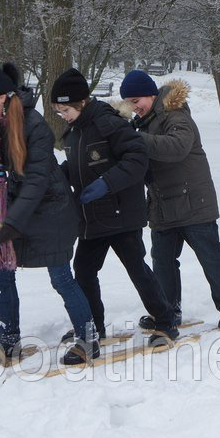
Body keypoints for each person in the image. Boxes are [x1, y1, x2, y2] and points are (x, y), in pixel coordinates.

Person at [0, 61, 97, 366]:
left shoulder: (34, 125)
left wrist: (13, 219)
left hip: (51, 214)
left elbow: (36, 180)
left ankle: (88, 339)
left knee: (61, 278)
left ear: (1, 98)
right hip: (16, 214)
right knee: (0, 272)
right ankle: (8, 341)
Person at [50, 68, 179, 344]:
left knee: (137, 269)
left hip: (121, 215)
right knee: (83, 272)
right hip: (92, 217)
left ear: (81, 102)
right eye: (59, 112)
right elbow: (77, 169)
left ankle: (166, 322)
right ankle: (94, 326)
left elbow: (137, 158)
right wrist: (57, 176)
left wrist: (106, 183)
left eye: (65, 110)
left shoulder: (110, 123)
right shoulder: (73, 134)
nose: (63, 116)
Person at [119, 70, 220, 330]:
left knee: (210, 256)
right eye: (129, 103)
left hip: (193, 202)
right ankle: (168, 312)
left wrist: (135, 139)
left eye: (136, 101)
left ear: (151, 94)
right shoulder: (141, 124)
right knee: (162, 261)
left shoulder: (176, 115)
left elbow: (175, 148)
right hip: (162, 205)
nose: (134, 108)